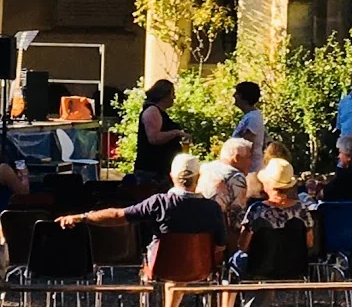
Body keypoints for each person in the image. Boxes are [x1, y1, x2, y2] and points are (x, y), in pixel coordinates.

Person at [59, 153, 227, 276]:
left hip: (162, 268)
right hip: (200, 269)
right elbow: (220, 247)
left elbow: (118, 216)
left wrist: (83, 217)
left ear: (171, 176)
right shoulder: (213, 208)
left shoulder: (159, 203)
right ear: (198, 177)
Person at [229, 157, 314, 275]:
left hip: (259, 269)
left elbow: (243, 245)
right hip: (295, 268)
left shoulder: (256, 210)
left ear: (268, 183)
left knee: (234, 261)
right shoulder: (302, 210)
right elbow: (309, 243)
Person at [198, 137, 255, 243]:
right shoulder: (236, 177)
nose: (251, 163)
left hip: (197, 229)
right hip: (218, 235)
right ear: (237, 158)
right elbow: (237, 222)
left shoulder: (205, 168)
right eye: (249, 158)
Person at [133, 79, 189, 183]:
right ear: (164, 95)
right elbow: (154, 138)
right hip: (152, 171)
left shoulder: (159, 112)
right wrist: (176, 133)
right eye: (172, 94)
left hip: (161, 170)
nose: (174, 98)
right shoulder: (152, 111)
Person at [231, 82, 266, 171]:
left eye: (237, 94)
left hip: (250, 169)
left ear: (244, 97)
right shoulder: (249, 116)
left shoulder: (253, 118)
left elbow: (246, 146)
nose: (234, 95)